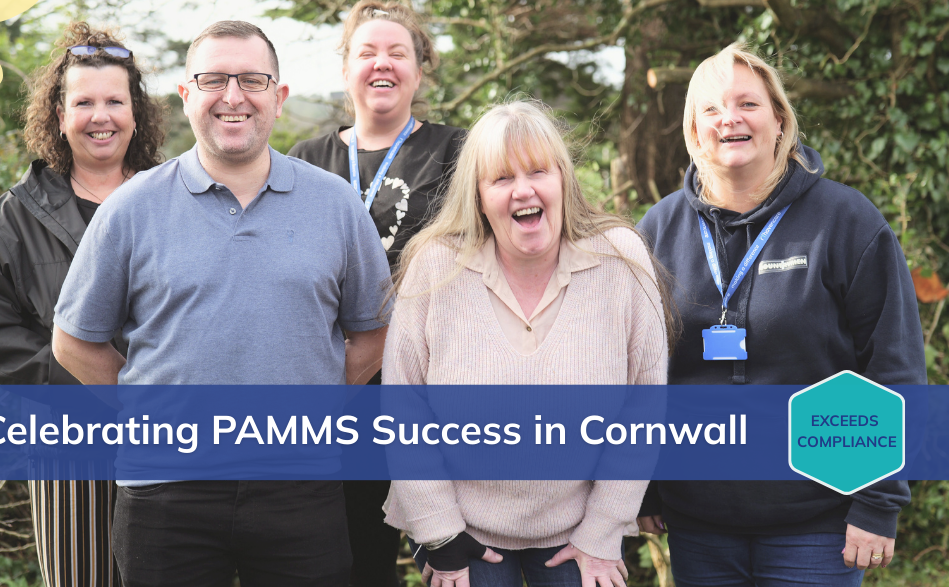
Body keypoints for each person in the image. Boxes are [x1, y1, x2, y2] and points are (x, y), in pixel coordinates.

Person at [50, 20, 392, 587]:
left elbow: (374, 334)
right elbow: (73, 341)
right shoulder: (131, 208)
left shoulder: (336, 205)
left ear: (278, 98)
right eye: (213, 80)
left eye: (253, 80)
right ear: (186, 96)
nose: (233, 97)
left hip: (300, 487)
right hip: (164, 494)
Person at [635, 44, 927, 586]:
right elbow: (641, 371)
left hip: (818, 522)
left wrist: (878, 502)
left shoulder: (845, 221)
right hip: (699, 526)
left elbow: (894, 366)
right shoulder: (657, 230)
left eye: (747, 104)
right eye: (712, 110)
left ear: (779, 121)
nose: (731, 119)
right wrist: (648, 485)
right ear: (694, 132)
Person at [382, 99, 671, 587]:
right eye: (501, 179)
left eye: (538, 170)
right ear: (477, 195)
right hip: (462, 529)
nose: (524, 190)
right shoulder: (434, 264)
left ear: (563, 178)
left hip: (581, 526)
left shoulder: (621, 258)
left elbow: (645, 407)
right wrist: (439, 533)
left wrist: (603, 531)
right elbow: (404, 410)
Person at [0, 21, 167, 587]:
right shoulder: (14, 217)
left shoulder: (177, 198)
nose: (100, 116)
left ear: (136, 112)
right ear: (58, 115)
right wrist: (92, 389)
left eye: (114, 101)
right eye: (84, 102)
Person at [289, 0, 465, 587]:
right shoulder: (305, 162)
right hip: (329, 387)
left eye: (398, 52)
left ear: (420, 68)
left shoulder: (455, 153)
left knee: (447, 556)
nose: (382, 64)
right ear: (345, 69)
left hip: (424, 388)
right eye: (367, 53)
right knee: (337, 553)